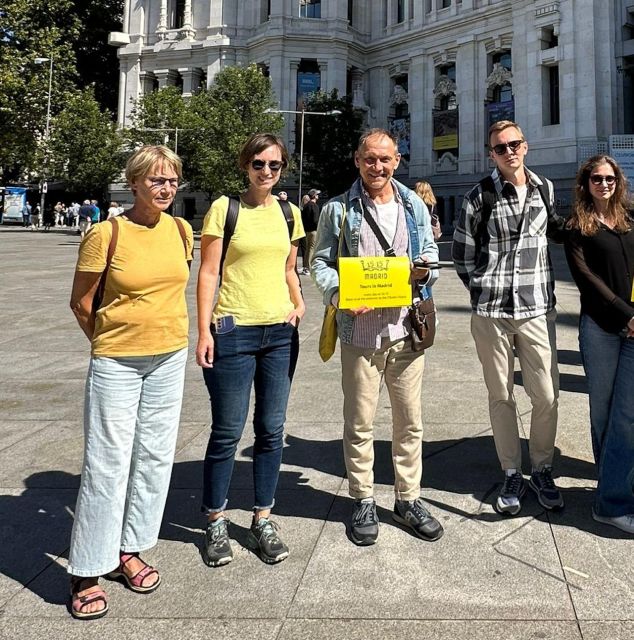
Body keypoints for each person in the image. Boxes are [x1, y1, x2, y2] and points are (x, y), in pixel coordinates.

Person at [67, 145, 193, 620]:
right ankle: (86, 568)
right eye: (157, 180)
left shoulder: (181, 231)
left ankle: (130, 548)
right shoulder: (107, 233)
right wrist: (108, 340)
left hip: (168, 356)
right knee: (107, 462)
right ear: (135, 182)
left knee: (155, 457)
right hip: (118, 361)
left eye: (173, 181)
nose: (166, 188)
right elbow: (81, 301)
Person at [311, 128, 443, 546]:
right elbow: (320, 262)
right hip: (359, 333)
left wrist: (424, 272)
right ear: (357, 160)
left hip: (406, 330)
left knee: (410, 422)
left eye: (385, 159)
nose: (377, 167)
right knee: (360, 421)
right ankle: (364, 498)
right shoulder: (338, 210)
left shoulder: (412, 206)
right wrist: (340, 294)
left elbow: (432, 259)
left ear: (397, 161)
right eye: (370, 159)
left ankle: (408, 498)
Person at [196, 133, 305, 566]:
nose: (266, 172)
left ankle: (262, 517)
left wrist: (298, 304)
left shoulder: (289, 211)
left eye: (274, 166)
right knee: (226, 433)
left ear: (283, 169)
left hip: (279, 334)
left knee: (271, 429)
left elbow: (288, 268)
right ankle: (216, 520)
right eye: (259, 163)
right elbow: (207, 274)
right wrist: (204, 331)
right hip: (234, 333)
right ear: (245, 165)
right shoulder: (225, 209)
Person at [452, 120, 566, 516]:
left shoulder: (545, 189)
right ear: (491, 154)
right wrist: (483, 290)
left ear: (526, 146)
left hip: (536, 309)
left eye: (514, 144)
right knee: (501, 395)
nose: (508, 152)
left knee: (547, 395)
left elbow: (554, 233)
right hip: (493, 313)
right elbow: (462, 255)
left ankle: (543, 467)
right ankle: (512, 470)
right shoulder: (477, 196)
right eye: (500, 148)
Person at [564, 154, 634, 534]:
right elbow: (587, 279)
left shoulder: (630, 218)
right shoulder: (578, 225)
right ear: (585, 184)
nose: (603, 184)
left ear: (617, 181)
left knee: (626, 416)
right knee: (603, 413)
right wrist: (627, 314)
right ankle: (612, 495)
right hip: (602, 328)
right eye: (596, 179)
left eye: (609, 178)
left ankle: (612, 492)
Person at [300, 188, 320, 275]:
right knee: (311, 248)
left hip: (306, 230)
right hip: (313, 230)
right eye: (317, 194)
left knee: (308, 248)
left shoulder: (306, 206)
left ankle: (306, 266)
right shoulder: (314, 206)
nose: (318, 196)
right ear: (314, 196)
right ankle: (308, 267)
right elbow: (315, 219)